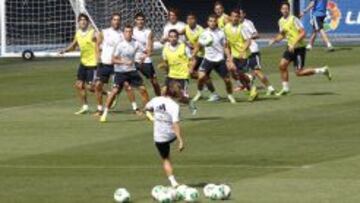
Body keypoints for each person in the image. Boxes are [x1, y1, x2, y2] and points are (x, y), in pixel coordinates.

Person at [269, 2, 332, 96]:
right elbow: (282, 34)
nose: (284, 10)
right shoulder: (281, 21)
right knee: (282, 66)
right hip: (290, 48)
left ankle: (322, 70)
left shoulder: (294, 19)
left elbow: (303, 33)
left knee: (299, 72)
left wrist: (293, 44)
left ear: (289, 9)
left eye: (286, 8)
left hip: (299, 49)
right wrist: (274, 40)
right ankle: (285, 89)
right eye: (283, 9)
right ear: (281, 10)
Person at [100, 25, 150, 122]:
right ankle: (105, 113)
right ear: (123, 33)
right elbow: (113, 59)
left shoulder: (136, 44)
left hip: (132, 71)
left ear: (132, 33)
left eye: (130, 31)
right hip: (120, 72)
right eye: (126, 31)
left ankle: (148, 112)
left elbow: (146, 51)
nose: (128, 33)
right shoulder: (120, 45)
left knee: (143, 89)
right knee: (114, 91)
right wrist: (124, 62)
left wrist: (143, 58)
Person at [145, 82, 185, 188]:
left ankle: (173, 183)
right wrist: (180, 140)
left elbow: (147, 107)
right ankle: (174, 183)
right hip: (171, 135)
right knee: (175, 128)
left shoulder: (156, 100)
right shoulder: (174, 106)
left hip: (159, 137)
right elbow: (175, 124)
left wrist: (152, 113)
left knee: (166, 159)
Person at [60, 13, 99, 115]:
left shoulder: (92, 33)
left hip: (93, 63)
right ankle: (85, 107)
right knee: (79, 85)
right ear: (78, 22)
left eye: (84, 20)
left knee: (91, 87)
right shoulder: (78, 33)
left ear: (87, 22)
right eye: (81, 20)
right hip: (83, 63)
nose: (82, 21)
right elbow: (73, 46)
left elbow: (100, 45)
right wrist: (65, 50)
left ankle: (108, 94)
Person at [194, 15, 236, 104]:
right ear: (207, 22)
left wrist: (229, 59)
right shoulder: (204, 33)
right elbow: (198, 45)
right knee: (201, 77)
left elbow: (225, 47)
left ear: (216, 22)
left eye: (213, 21)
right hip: (208, 59)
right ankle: (200, 92)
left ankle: (230, 95)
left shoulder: (221, 33)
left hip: (219, 60)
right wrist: (192, 56)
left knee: (227, 80)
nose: (212, 23)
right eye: (210, 21)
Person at [239, 9, 276, 96]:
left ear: (244, 14)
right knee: (242, 72)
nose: (239, 15)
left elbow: (256, 34)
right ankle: (250, 87)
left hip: (253, 51)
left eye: (240, 14)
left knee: (257, 71)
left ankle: (270, 88)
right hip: (244, 52)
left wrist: (248, 38)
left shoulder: (247, 23)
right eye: (237, 14)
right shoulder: (236, 25)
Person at [224, 9, 258, 102]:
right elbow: (226, 44)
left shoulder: (242, 27)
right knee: (231, 69)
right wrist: (228, 56)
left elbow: (248, 40)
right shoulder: (226, 28)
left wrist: (243, 50)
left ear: (239, 18)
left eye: (236, 16)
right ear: (230, 17)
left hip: (244, 55)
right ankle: (249, 85)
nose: (234, 18)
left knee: (240, 74)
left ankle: (251, 87)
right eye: (233, 16)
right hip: (235, 55)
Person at [184, 12, 220, 102]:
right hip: (197, 55)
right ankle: (204, 84)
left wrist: (193, 53)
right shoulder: (186, 28)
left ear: (195, 20)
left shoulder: (201, 30)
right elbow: (180, 32)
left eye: (192, 18)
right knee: (191, 73)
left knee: (201, 75)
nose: (190, 20)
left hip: (204, 56)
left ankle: (214, 94)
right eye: (188, 19)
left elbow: (200, 45)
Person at [94, 13, 123, 116]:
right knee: (98, 85)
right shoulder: (104, 32)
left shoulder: (122, 35)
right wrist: (98, 57)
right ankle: (99, 109)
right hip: (104, 63)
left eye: (118, 20)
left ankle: (113, 97)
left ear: (120, 21)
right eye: (114, 19)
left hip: (116, 65)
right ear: (111, 21)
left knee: (118, 88)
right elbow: (97, 44)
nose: (116, 21)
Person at [162, 29, 197, 115]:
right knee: (163, 92)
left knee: (180, 98)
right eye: (171, 37)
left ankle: (189, 102)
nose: (173, 38)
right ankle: (172, 112)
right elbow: (166, 62)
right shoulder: (165, 49)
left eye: (175, 37)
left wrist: (191, 68)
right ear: (168, 38)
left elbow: (193, 59)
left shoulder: (183, 47)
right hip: (171, 75)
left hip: (183, 76)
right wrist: (166, 70)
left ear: (177, 38)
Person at [133, 12, 161, 96]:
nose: (140, 21)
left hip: (145, 59)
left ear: (144, 21)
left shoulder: (148, 32)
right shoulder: (131, 31)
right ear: (135, 20)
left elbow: (150, 49)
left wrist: (144, 57)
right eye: (138, 20)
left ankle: (160, 98)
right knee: (125, 81)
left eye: (142, 20)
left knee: (154, 81)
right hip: (134, 60)